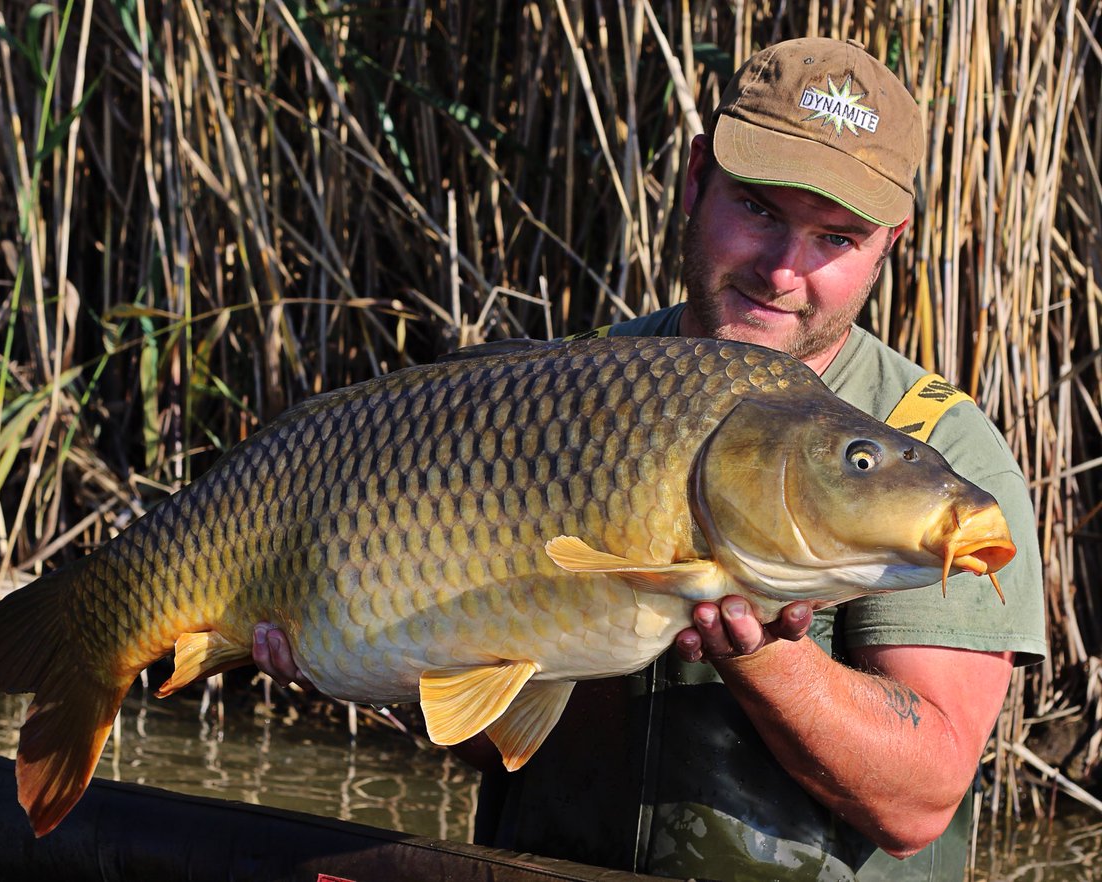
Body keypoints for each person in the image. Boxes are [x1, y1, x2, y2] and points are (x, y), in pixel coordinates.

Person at [252, 37, 1046, 881]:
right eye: (761, 209)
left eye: (835, 239)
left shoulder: (935, 452)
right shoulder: (568, 386)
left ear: (891, 241)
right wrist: (370, 661)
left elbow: (918, 803)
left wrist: (755, 644)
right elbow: (498, 741)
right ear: (698, 176)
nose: (783, 270)